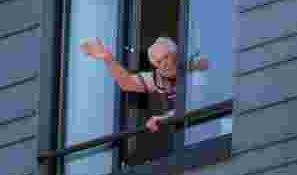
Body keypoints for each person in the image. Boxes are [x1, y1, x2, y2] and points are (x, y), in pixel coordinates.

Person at [80, 36, 208, 133]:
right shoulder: (158, 77)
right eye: (158, 62)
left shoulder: (193, 63)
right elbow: (127, 83)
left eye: (166, 57)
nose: (164, 64)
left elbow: (196, 102)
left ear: (176, 53)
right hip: (191, 130)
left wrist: (164, 118)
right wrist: (108, 58)